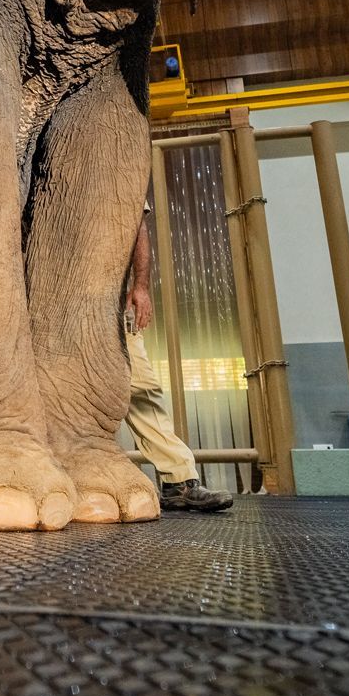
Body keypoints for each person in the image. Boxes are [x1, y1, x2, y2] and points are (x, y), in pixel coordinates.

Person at [123, 212, 233, 512]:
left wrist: (141, 285)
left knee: (142, 388)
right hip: (52, 303)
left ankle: (179, 481)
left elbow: (137, 224)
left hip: (113, 304)